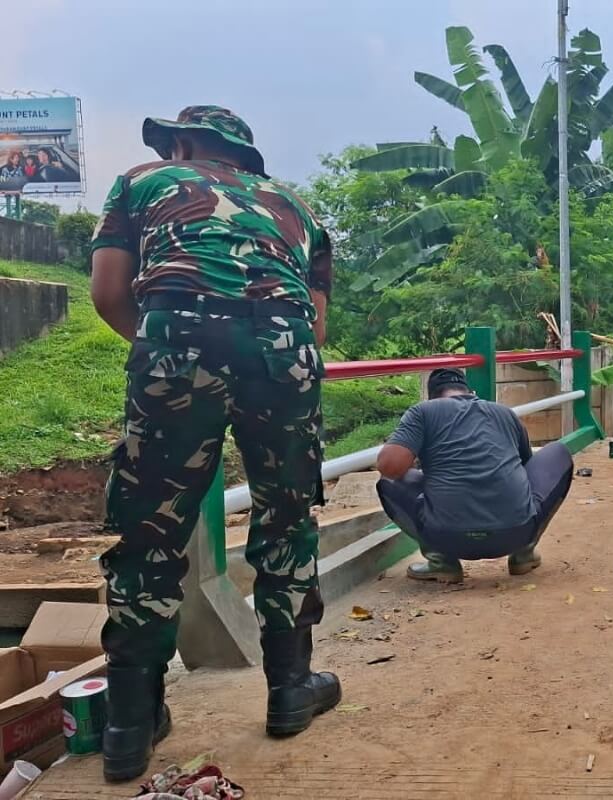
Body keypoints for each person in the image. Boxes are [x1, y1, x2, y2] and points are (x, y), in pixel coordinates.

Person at [89, 106, 338, 782]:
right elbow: (312, 323)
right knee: (287, 517)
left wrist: (171, 348)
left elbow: (109, 292)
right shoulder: (298, 206)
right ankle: (291, 691)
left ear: (179, 143)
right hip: (285, 351)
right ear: (244, 157)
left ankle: (129, 723)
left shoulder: (142, 181)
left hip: (177, 336)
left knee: (151, 528)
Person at [375, 368, 575, 583]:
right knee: (558, 453)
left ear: (431, 397)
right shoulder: (504, 412)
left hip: (447, 537)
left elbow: (389, 467)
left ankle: (442, 562)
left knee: (388, 481)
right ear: (470, 392)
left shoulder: (422, 412)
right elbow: (526, 468)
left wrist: (428, 466)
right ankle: (524, 553)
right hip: (515, 533)